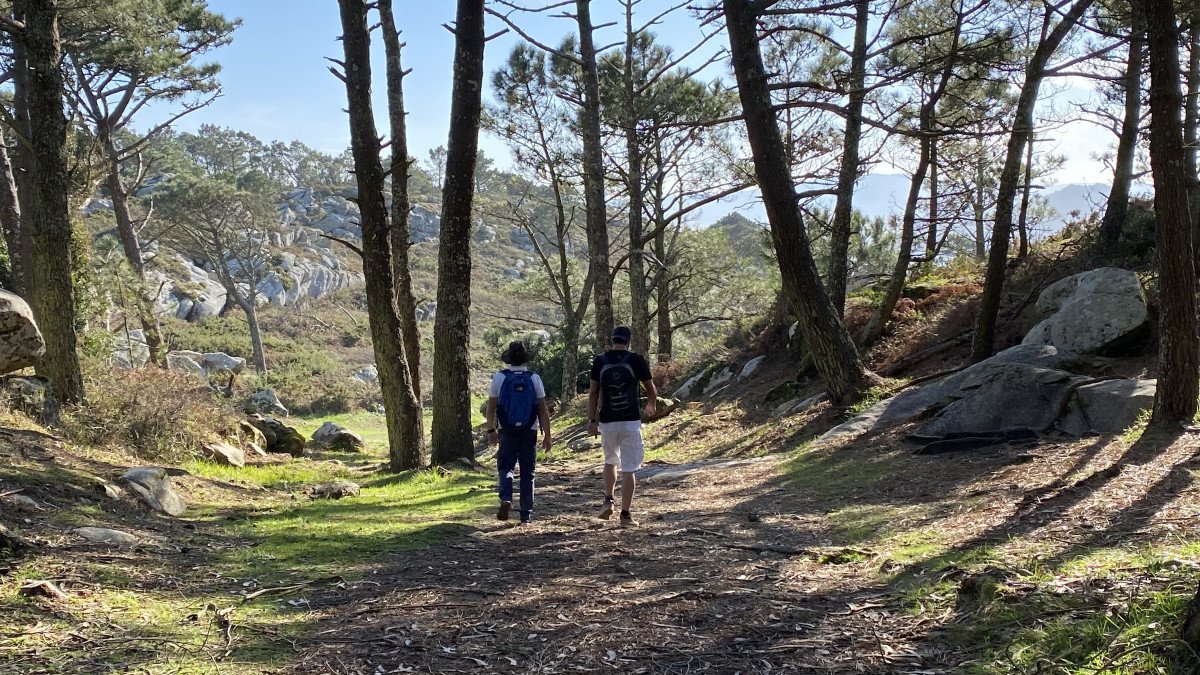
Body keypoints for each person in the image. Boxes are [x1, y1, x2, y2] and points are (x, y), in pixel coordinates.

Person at [587, 326, 657, 527]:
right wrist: (651, 404)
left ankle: (608, 499)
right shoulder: (636, 360)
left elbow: (593, 393)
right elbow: (650, 388)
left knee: (610, 462)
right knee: (629, 469)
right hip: (630, 421)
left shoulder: (600, 361)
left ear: (612, 340)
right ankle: (625, 515)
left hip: (608, 421)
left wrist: (591, 420)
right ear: (628, 341)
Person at [486, 341, 552, 525]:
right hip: (529, 430)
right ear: (525, 358)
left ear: (508, 359)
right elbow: (543, 410)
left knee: (506, 467)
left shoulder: (500, 377)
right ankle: (526, 515)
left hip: (506, 430)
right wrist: (547, 436)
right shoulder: (534, 378)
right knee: (527, 472)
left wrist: (491, 430)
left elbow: (491, 408)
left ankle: (506, 497)